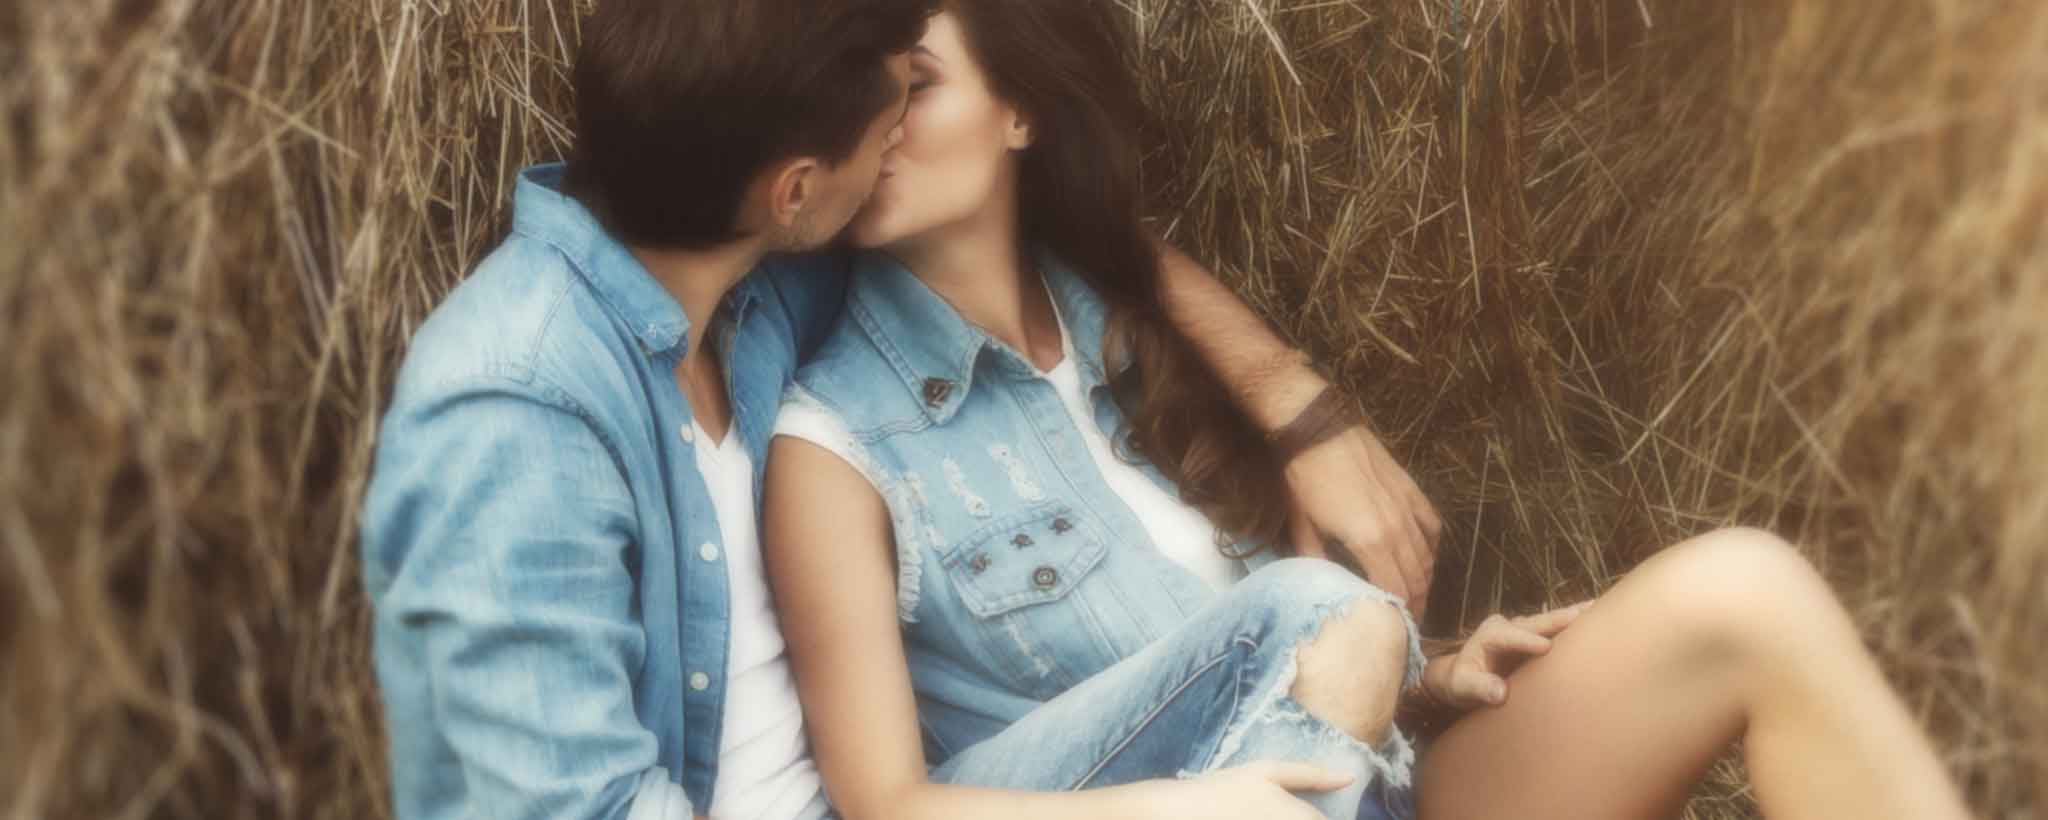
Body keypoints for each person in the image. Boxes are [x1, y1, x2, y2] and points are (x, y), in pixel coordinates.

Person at [760, 3, 1978, 820]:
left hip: (1367, 785)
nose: (871, 128)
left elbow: (1272, 668)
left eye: (914, 87)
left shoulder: (1129, 334)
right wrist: (1196, 802)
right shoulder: (838, 445)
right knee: (1309, 601)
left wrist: (1429, 675)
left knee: (1741, 591)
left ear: (1020, 114)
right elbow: (889, 807)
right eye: (859, 98)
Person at [358, 2, 1442, 820]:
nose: (891, 146)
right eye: (886, 116)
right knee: (1320, 613)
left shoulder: (752, 291)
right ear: (796, 190)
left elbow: (1073, 250)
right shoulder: (513, 409)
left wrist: (1305, 413)